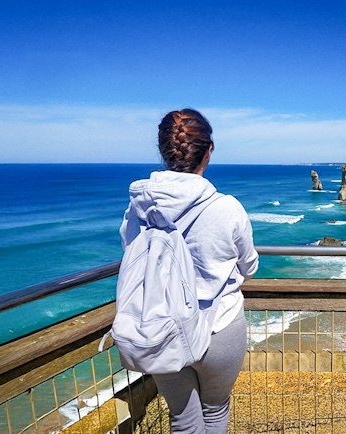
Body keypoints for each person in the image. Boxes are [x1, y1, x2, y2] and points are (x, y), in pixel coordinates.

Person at [119, 108, 259, 433]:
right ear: (208, 150)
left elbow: (131, 254)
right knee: (215, 410)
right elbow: (249, 265)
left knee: (182, 418)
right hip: (219, 328)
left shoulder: (139, 207)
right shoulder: (227, 208)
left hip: (160, 328)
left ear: (163, 151)